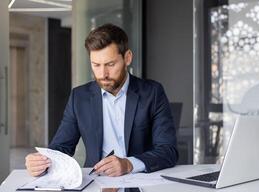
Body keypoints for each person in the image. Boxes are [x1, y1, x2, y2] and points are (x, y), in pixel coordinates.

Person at [25, 24, 178, 177]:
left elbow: (168, 150)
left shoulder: (152, 93)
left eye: (110, 64)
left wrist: (129, 164)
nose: (103, 74)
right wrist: (42, 162)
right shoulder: (79, 97)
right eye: (96, 65)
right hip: (95, 181)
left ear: (127, 58)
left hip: (140, 179)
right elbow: (61, 147)